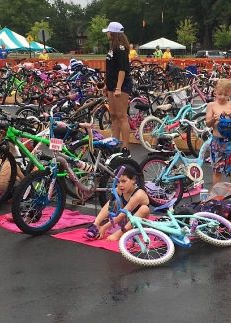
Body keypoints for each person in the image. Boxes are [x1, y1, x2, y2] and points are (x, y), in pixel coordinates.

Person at [85, 166, 150, 241]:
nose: (120, 185)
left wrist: (104, 227)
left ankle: (120, 233)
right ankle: (95, 224)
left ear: (133, 180)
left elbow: (122, 215)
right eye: (118, 182)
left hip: (139, 225)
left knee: (144, 209)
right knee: (113, 202)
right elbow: (109, 206)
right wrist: (97, 223)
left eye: (123, 181)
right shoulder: (119, 189)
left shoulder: (139, 194)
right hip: (126, 221)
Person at [102, 21, 133, 157]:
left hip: (121, 85)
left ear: (113, 33)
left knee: (121, 116)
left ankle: (125, 147)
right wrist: (106, 85)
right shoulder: (111, 47)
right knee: (113, 115)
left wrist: (118, 88)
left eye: (108, 31)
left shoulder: (120, 48)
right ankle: (114, 143)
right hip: (111, 85)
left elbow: (122, 69)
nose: (107, 33)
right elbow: (110, 69)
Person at [205, 79, 231, 185]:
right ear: (215, 92)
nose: (222, 97)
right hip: (217, 142)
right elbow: (208, 123)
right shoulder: (211, 106)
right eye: (220, 94)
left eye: (226, 94)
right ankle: (217, 197)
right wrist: (214, 119)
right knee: (217, 171)